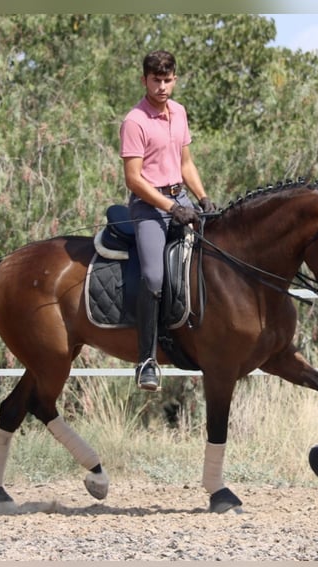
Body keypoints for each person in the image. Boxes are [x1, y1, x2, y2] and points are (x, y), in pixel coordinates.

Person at [119, 50, 216, 392]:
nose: (162, 87)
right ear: (144, 79)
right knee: (153, 276)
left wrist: (202, 198)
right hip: (149, 206)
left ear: (175, 79)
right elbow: (134, 179)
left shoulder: (179, 113)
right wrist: (170, 207)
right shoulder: (135, 121)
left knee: (216, 252)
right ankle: (146, 359)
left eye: (167, 80)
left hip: (182, 198)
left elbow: (186, 163)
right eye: (155, 80)